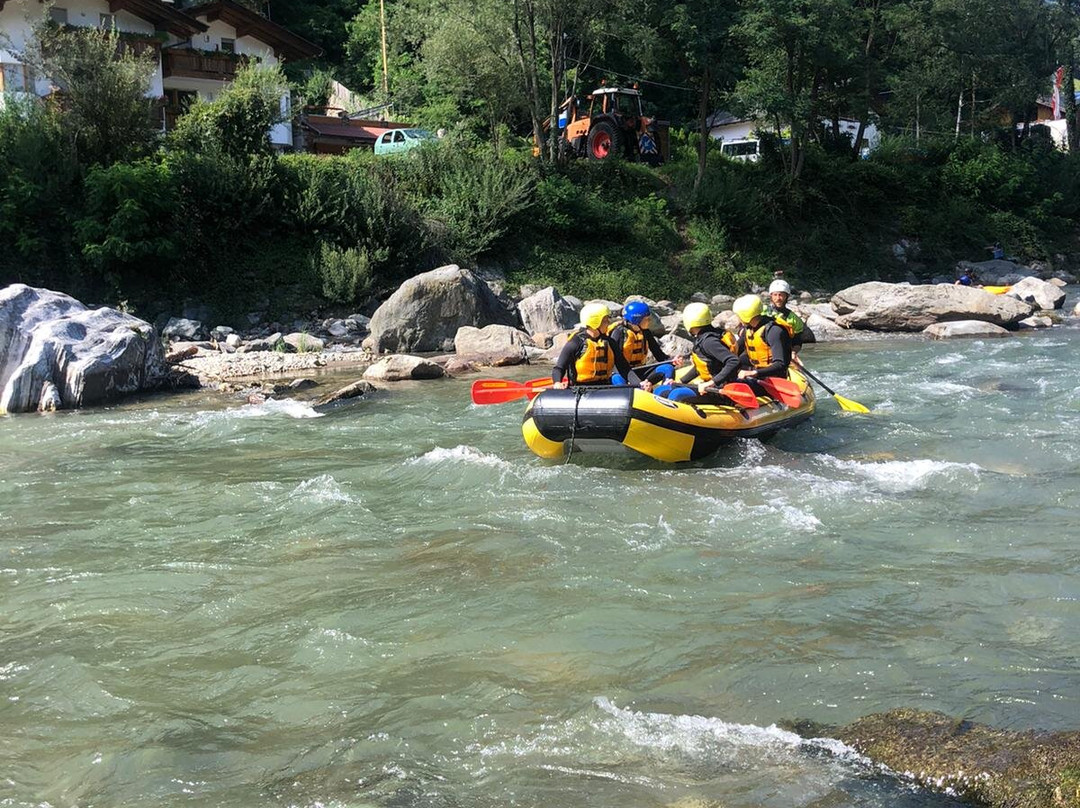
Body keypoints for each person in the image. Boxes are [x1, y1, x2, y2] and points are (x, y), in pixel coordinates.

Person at [665, 302, 741, 401]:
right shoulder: (705, 337)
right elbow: (702, 367)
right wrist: (680, 381)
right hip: (713, 386)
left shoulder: (709, 342)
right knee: (665, 390)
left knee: (676, 394)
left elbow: (733, 361)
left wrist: (711, 383)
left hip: (719, 390)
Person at [552, 302, 637, 389]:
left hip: (605, 389)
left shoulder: (609, 342)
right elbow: (559, 368)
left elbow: (624, 368)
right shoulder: (576, 343)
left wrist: (639, 383)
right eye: (605, 320)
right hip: (581, 390)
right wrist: (557, 382)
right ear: (595, 323)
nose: (608, 323)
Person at [608, 301, 684, 386]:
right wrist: (637, 382)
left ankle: (664, 392)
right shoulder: (618, 333)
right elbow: (616, 364)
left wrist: (672, 361)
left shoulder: (646, 332)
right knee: (617, 378)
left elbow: (660, 356)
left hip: (640, 370)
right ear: (636, 320)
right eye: (647, 319)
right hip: (622, 373)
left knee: (667, 368)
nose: (649, 321)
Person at [732, 294, 792, 388]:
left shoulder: (773, 331)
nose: (738, 318)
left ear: (745, 315)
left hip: (773, 378)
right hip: (758, 373)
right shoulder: (749, 329)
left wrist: (754, 373)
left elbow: (780, 364)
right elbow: (735, 351)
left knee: (736, 383)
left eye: (738, 315)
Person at [763, 279, 806, 354]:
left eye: (781, 295)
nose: (778, 298)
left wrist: (793, 353)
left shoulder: (794, 319)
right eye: (775, 295)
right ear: (771, 296)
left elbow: (797, 343)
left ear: (787, 296)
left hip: (781, 355)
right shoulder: (763, 311)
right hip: (763, 352)